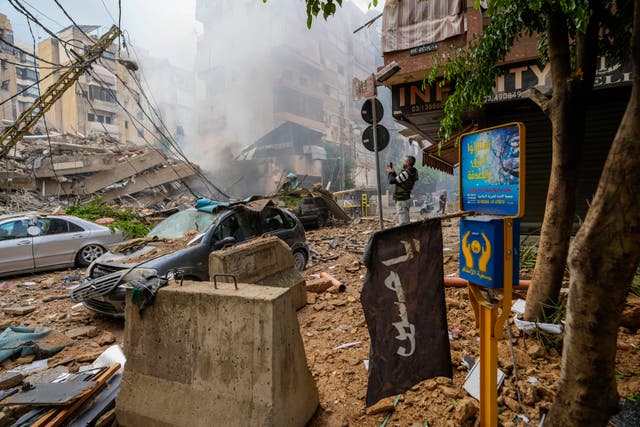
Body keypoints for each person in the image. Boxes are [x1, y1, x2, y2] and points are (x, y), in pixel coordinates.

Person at [386, 155, 419, 225]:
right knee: (405, 220)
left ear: (408, 162)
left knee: (403, 223)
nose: (402, 162)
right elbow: (398, 180)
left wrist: (389, 172)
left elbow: (391, 181)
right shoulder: (410, 172)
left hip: (402, 199)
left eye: (404, 161)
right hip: (405, 198)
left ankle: (407, 235)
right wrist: (393, 172)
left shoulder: (406, 173)